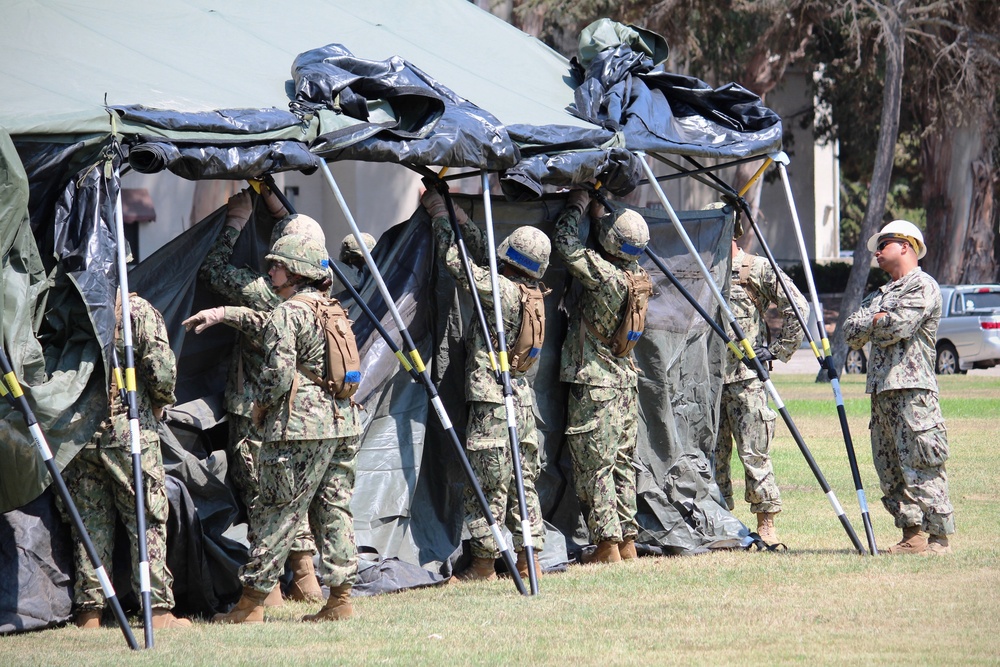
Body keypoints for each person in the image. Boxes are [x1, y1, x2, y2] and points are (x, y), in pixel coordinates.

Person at [210, 234, 364, 623]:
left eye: (277, 265)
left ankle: (250, 605)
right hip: (342, 422)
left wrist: (260, 407)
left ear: (296, 272)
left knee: (276, 510)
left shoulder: (288, 312)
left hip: (299, 427)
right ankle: (340, 598)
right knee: (335, 509)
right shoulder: (332, 309)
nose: (271, 270)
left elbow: (277, 375)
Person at [197, 186, 327, 604]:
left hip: (254, 408)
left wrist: (235, 221)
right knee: (292, 494)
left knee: (260, 495)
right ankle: (307, 579)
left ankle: (266, 590)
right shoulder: (323, 294)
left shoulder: (260, 290)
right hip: (302, 411)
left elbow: (212, 270)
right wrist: (273, 198)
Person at [421, 190, 548, 583]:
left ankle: (482, 565)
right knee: (522, 486)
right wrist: (462, 217)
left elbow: (458, 261)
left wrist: (442, 216)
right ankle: (530, 559)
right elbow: (489, 258)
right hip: (523, 404)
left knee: (487, 486)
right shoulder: (532, 293)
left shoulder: (500, 290)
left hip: (494, 406)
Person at [63, 290, 191, 629]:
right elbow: (162, 372)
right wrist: (161, 402)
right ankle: (158, 610)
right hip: (128, 429)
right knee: (146, 518)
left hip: (79, 432)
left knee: (88, 524)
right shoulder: (136, 310)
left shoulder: (70, 304)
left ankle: (89, 612)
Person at [553, 189, 652, 564]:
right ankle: (627, 540)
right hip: (626, 384)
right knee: (624, 464)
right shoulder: (639, 278)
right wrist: (600, 219)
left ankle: (607, 544)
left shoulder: (605, 275)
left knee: (594, 466)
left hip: (595, 383)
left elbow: (564, 243)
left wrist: (579, 205)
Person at [844, 219, 954, 555]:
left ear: (905, 246)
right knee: (889, 466)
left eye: (883, 245)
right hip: (882, 393)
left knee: (922, 463)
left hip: (913, 392)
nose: (876, 252)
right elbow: (850, 332)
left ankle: (938, 539)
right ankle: (912, 536)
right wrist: (876, 317)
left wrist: (875, 319)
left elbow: (899, 326)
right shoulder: (879, 294)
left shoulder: (923, 286)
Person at [714, 238, 807, 545]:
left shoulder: (755, 269)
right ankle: (717, 521)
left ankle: (765, 523)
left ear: (732, 235)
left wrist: (779, 350)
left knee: (754, 453)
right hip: (707, 381)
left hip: (746, 382)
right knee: (712, 457)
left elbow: (798, 306)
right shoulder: (703, 269)